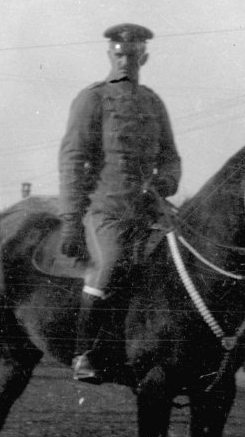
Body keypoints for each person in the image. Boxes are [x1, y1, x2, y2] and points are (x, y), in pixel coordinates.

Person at [59, 23, 181, 383]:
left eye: (132, 54)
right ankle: (84, 352)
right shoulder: (93, 99)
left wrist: (166, 181)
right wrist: (70, 221)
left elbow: (171, 157)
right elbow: (72, 160)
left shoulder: (153, 103)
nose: (125, 60)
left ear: (144, 57)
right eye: (120, 54)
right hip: (106, 211)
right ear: (110, 55)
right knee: (111, 263)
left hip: (150, 211)